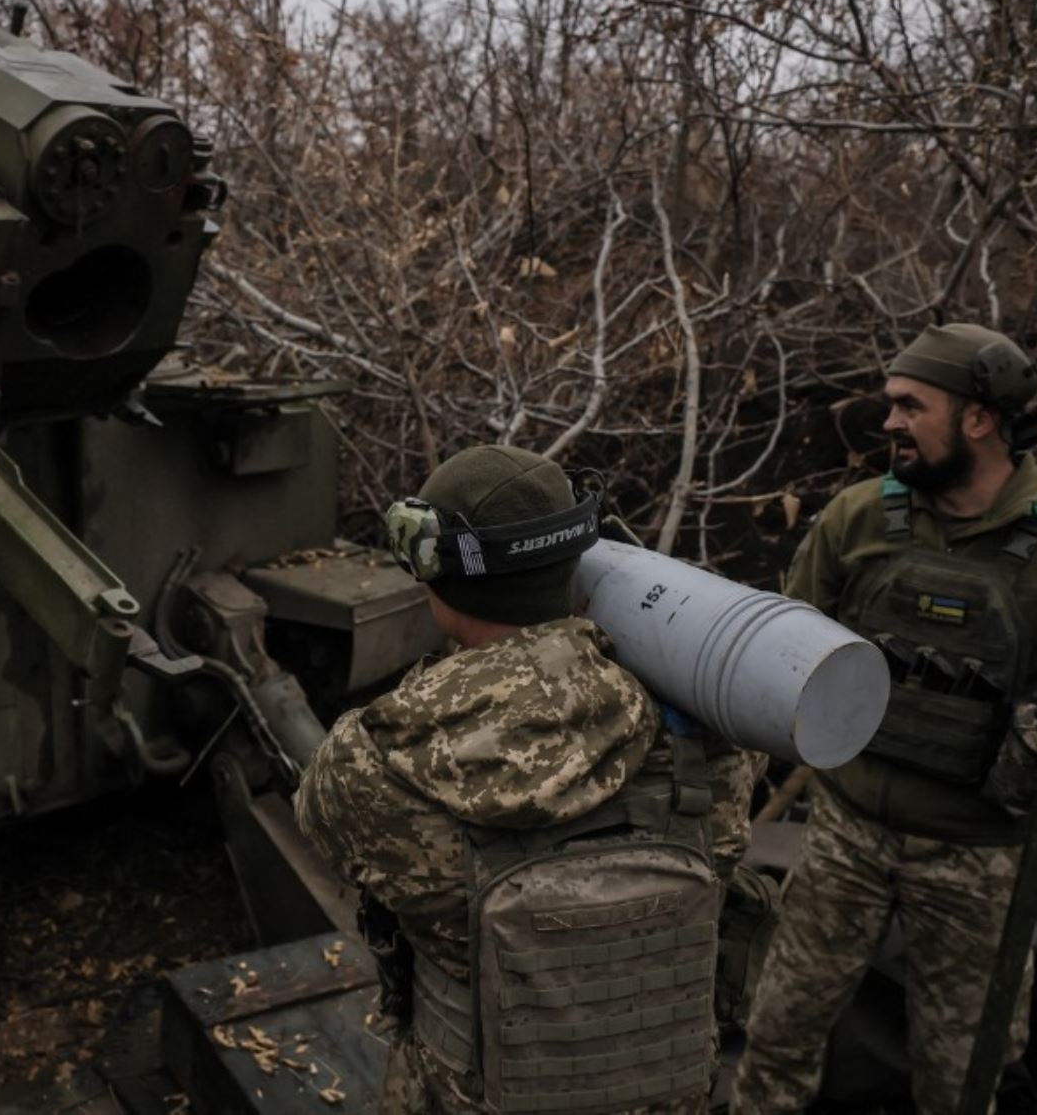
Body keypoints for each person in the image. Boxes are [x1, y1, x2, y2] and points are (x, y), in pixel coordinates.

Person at [732, 323, 1037, 1114]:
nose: (887, 422)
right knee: (777, 1032)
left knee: (965, 1073)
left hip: (983, 855)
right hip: (845, 832)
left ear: (980, 419)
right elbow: (777, 641)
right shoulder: (858, 518)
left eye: (908, 405)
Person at [296, 444, 721, 1114]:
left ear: (433, 568)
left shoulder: (372, 757)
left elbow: (322, 826)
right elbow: (722, 846)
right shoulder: (701, 733)